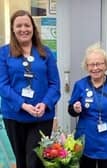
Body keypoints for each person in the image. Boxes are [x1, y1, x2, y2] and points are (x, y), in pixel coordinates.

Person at [0, 10, 61, 168]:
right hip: (15, 115)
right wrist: (23, 105)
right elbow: (3, 85)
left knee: (35, 161)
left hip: (41, 116)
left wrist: (45, 103)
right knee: (22, 161)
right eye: (19, 26)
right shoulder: (4, 53)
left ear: (33, 28)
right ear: (13, 29)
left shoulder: (45, 52)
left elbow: (55, 84)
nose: (23, 29)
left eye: (27, 25)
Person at [68, 43, 107, 168]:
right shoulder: (80, 85)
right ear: (87, 66)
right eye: (91, 64)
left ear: (106, 65)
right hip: (86, 139)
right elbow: (71, 110)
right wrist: (75, 108)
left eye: (99, 64)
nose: (95, 68)